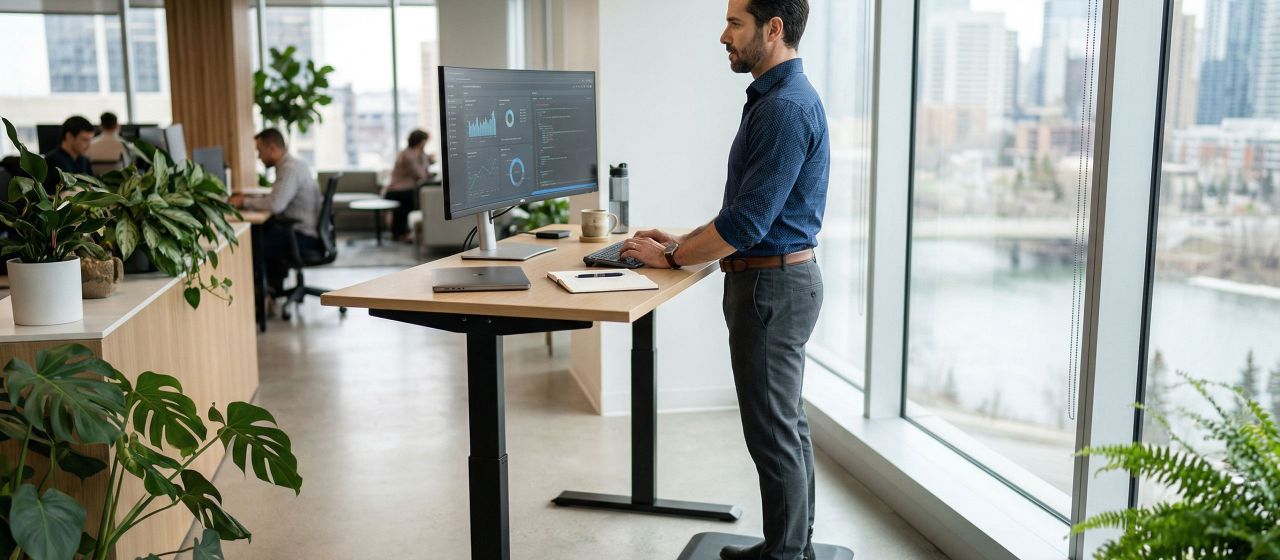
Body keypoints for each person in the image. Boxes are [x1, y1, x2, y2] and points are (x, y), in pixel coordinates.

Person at [619, 1, 828, 559]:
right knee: (786, 426)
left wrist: (673, 258)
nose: (723, 35)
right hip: (776, 283)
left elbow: (748, 223)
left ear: (774, 29)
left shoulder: (783, 108)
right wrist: (680, 245)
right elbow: (749, 212)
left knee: (774, 434)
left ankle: (786, 555)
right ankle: (791, 547)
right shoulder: (775, 100)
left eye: (736, 23)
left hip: (770, 291)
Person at [230, 128, 323, 301]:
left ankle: (260, 298)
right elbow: (277, 199)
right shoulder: (294, 165)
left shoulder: (289, 170)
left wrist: (244, 202)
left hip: (302, 236)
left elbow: (275, 205)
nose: (258, 156)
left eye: (260, 150)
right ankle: (271, 290)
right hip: (302, 231)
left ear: (272, 148)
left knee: (249, 243)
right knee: (260, 233)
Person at [385, 129, 434, 242]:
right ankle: (404, 232)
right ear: (421, 141)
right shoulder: (408, 155)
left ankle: (402, 232)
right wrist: (424, 157)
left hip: (403, 190)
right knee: (416, 200)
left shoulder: (414, 153)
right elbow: (420, 174)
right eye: (425, 141)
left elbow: (425, 173)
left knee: (415, 197)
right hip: (396, 191)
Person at [43, 115, 94, 190]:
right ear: (69, 136)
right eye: (84, 140)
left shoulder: (84, 160)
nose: (89, 145)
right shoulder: (51, 161)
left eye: (90, 140)